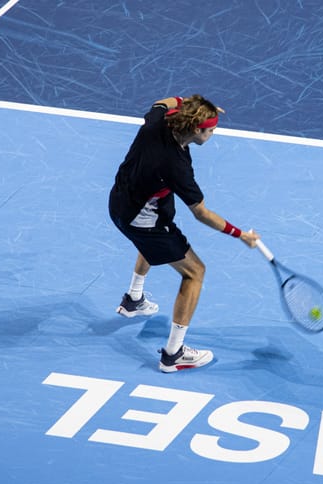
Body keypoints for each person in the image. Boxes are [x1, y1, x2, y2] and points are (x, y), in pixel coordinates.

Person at [108, 94, 260, 373]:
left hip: (120, 200)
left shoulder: (157, 123)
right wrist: (241, 235)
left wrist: (194, 104)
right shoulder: (176, 167)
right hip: (141, 220)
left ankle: (133, 300)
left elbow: (163, 103)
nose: (213, 133)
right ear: (197, 130)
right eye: (211, 129)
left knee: (157, 223)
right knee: (195, 272)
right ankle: (173, 354)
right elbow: (202, 213)